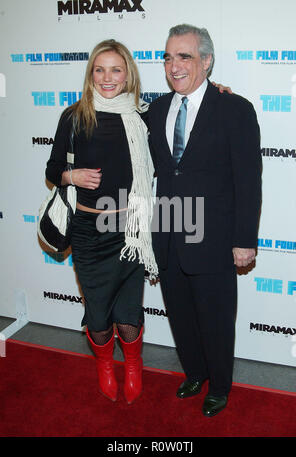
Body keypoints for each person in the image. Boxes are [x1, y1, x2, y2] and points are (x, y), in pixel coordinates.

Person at [148, 24, 262, 417]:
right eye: (167, 57)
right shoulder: (156, 109)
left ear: (207, 61)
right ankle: (194, 372)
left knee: (215, 317)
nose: (174, 65)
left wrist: (245, 239)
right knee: (179, 314)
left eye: (185, 56)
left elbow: (248, 181)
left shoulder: (235, 108)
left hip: (214, 237)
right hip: (167, 232)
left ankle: (221, 384)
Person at [45, 39, 158, 404]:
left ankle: (134, 364)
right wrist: (71, 176)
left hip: (131, 231)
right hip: (89, 232)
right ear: (91, 73)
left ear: (128, 75)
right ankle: (106, 366)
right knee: (96, 312)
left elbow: (187, 111)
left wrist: (217, 91)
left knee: (128, 311)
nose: (107, 77)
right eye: (100, 69)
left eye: (116, 69)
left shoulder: (144, 116)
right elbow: (52, 168)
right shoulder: (74, 116)